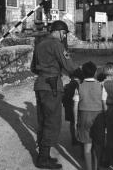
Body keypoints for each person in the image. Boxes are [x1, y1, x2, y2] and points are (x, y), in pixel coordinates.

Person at [30, 20, 78, 169]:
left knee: (43, 119)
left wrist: (45, 71)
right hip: (52, 86)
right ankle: (43, 159)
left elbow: (33, 67)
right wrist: (79, 75)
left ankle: (43, 154)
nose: (64, 36)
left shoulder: (39, 44)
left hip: (40, 84)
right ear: (58, 31)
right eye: (64, 33)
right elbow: (69, 65)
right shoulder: (57, 44)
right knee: (52, 120)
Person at [73, 61, 107, 170]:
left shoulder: (79, 87)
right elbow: (104, 104)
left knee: (87, 146)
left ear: (83, 72)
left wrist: (75, 121)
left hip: (84, 116)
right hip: (98, 117)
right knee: (97, 146)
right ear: (95, 72)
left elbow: (75, 105)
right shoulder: (101, 86)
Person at [62, 69, 84, 146]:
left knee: (72, 123)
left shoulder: (67, 86)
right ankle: (79, 139)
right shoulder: (78, 85)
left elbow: (63, 99)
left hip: (68, 107)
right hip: (76, 107)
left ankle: (74, 139)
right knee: (79, 123)